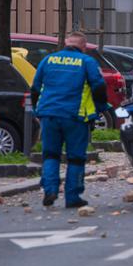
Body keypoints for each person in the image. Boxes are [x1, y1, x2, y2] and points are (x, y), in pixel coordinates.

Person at [32, 31, 109, 208]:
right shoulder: (87, 61)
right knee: (75, 158)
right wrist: (100, 107)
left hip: (49, 114)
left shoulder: (49, 60)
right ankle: (72, 196)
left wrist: (37, 110)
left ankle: (50, 190)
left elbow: (35, 87)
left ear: (66, 43)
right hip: (75, 117)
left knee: (50, 154)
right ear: (83, 46)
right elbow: (98, 86)